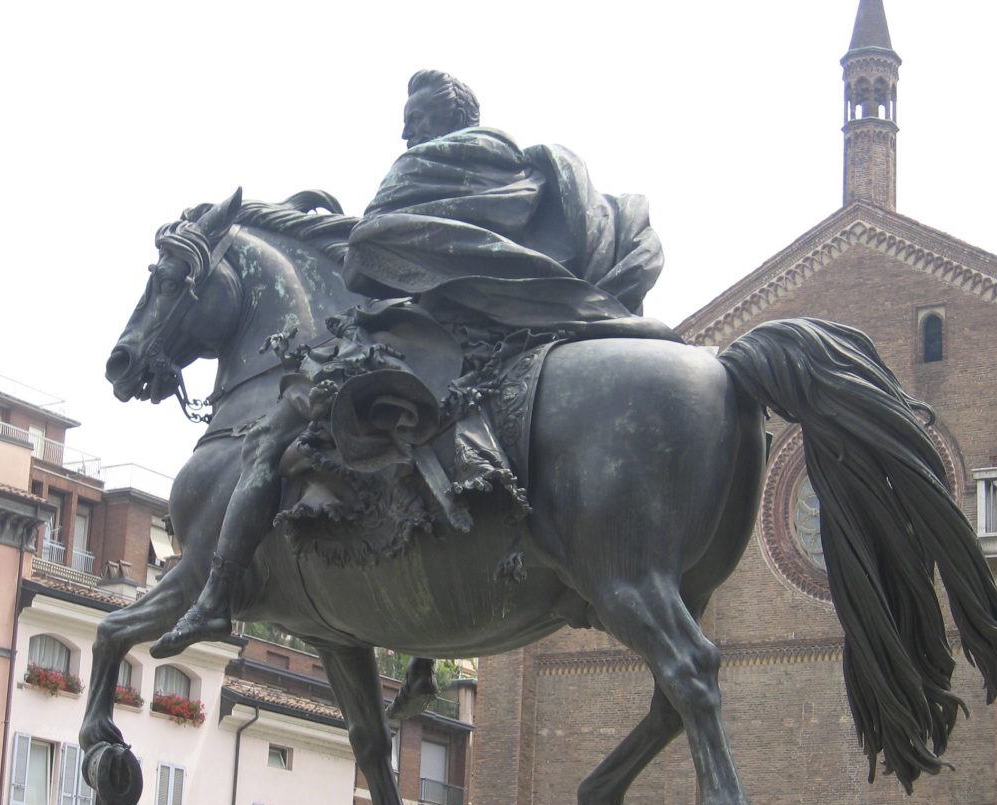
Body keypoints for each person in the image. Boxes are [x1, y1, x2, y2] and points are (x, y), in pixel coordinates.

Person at [151, 70, 673, 666]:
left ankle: (217, 593)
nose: (406, 131)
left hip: (436, 334)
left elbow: (370, 256)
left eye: (416, 116)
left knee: (268, 440)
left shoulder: (426, 167)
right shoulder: (522, 171)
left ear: (451, 115)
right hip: (516, 325)